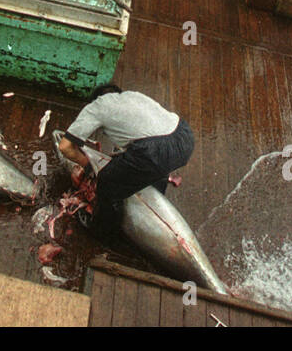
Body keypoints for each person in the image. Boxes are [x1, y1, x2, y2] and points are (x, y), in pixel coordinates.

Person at [56, 85, 194, 239]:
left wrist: (88, 166)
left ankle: (104, 233)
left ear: (97, 99)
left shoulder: (97, 106)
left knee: (107, 181)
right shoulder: (134, 95)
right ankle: (154, 194)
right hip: (185, 137)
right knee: (152, 167)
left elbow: (65, 147)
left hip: (155, 152)